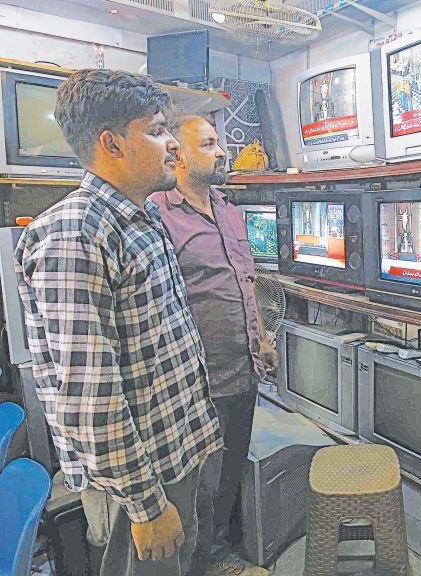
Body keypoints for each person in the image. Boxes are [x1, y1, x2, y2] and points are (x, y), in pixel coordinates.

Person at [14, 70, 222, 576]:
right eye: (156, 130)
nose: (173, 144)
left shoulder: (142, 217)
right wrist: (146, 505)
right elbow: (91, 398)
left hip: (174, 454)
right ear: (112, 144)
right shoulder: (75, 233)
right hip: (137, 485)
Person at [149, 115, 279, 576]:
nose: (222, 151)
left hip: (244, 371)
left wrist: (261, 337)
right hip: (197, 383)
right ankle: (204, 563)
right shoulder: (157, 214)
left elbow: (246, 280)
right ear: (179, 156)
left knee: (229, 474)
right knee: (199, 487)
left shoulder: (229, 210)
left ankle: (219, 555)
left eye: (219, 142)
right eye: (208, 144)